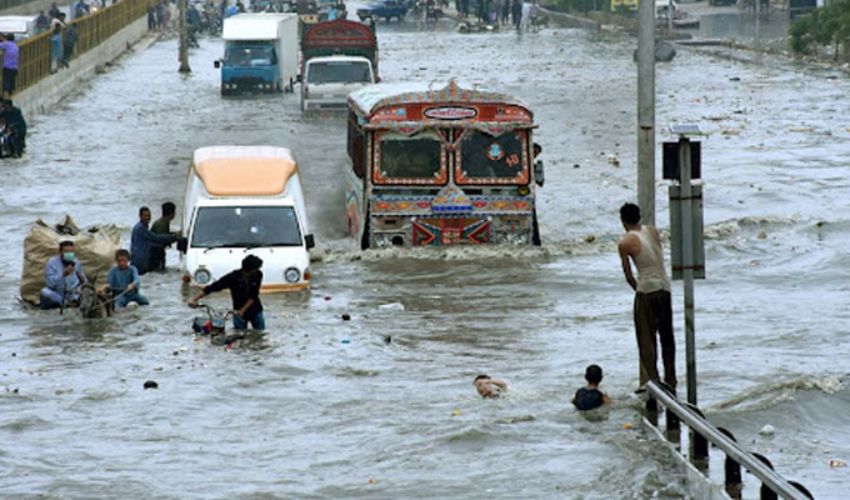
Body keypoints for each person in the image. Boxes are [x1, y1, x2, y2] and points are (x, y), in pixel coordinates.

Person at [618, 202, 676, 392]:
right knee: (667, 336)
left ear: (622, 221)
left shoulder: (625, 242)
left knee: (646, 339)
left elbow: (628, 275)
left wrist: (638, 289)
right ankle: (671, 378)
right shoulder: (652, 231)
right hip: (665, 287)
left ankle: (653, 382)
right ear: (639, 217)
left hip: (646, 289)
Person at [188, 255, 265, 331]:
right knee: (239, 336)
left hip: (255, 310)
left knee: (260, 333)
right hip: (237, 311)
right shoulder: (233, 277)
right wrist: (194, 299)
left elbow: (254, 295)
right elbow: (213, 287)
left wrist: (242, 310)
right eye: (256, 269)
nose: (257, 271)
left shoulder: (258, 275)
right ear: (250, 270)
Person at [131, 206, 178, 275]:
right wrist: (175, 237)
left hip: (139, 260)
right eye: (145, 216)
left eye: (149, 215)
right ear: (140, 216)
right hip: (140, 262)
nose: (147, 218)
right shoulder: (140, 228)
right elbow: (155, 238)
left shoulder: (141, 227)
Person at [40, 240, 87, 309]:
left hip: (74, 294)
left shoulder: (76, 263)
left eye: (71, 252)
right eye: (66, 252)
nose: (69, 254)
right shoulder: (52, 263)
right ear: (60, 252)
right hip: (58, 294)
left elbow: (83, 280)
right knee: (44, 292)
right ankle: (66, 303)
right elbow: (50, 284)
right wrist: (63, 275)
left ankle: (74, 302)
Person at [150, 201, 177, 271]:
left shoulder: (164, 222)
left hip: (157, 252)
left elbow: (166, 235)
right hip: (156, 253)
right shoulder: (160, 224)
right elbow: (161, 239)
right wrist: (175, 237)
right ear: (172, 213)